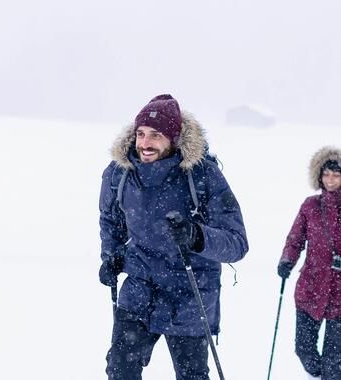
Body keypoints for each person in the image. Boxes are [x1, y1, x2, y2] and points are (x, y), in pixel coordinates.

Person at [99, 94, 248, 380]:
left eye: (156, 135)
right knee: (120, 370)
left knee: (191, 376)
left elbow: (237, 243)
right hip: (139, 288)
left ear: (175, 138)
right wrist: (112, 256)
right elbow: (110, 220)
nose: (145, 144)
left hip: (190, 295)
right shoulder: (120, 174)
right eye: (141, 134)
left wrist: (197, 236)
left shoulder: (203, 175)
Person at [277, 146, 341, 380]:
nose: (330, 180)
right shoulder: (310, 205)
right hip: (311, 288)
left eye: (336, 175)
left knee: (335, 363)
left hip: (340, 295)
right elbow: (295, 239)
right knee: (303, 349)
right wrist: (287, 260)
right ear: (319, 176)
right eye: (326, 174)